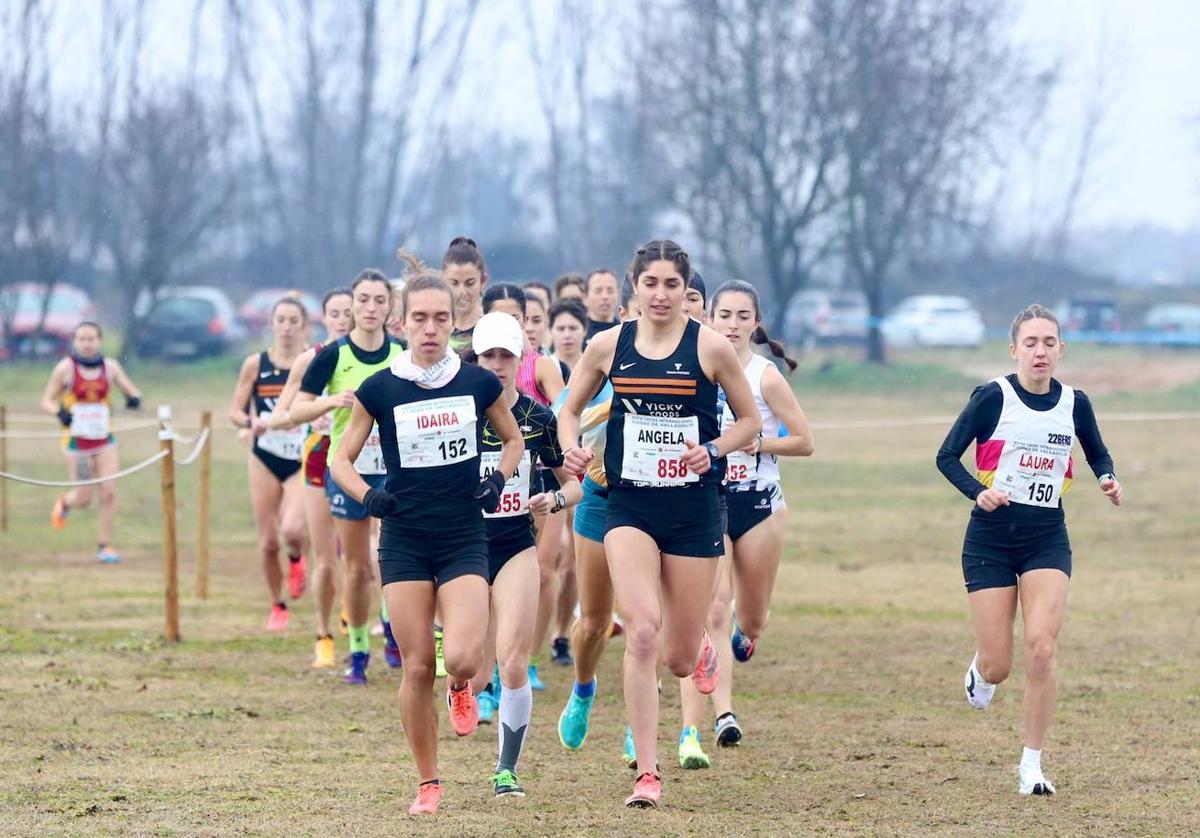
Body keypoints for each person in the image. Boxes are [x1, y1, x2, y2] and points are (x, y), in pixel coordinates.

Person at [557, 239, 761, 809]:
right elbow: (569, 410)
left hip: (694, 508)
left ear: (685, 288)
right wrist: (572, 450)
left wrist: (713, 449)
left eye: (673, 284)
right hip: (630, 506)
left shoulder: (711, 347)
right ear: (635, 287)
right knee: (641, 629)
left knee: (674, 655)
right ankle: (647, 772)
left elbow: (747, 421)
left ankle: (695, 644)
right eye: (651, 283)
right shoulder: (608, 345)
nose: (662, 294)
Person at [330, 273, 525, 816]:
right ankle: (428, 782)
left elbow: (512, 440)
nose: (432, 328)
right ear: (401, 322)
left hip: (463, 532)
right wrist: (370, 497)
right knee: (417, 667)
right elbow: (338, 460)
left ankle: (460, 685)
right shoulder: (379, 388)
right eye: (420, 318)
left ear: (452, 321)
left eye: (442, 318)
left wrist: (498, 478)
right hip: (405, 539)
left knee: (462, 657)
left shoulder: (477, 382)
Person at [936, 303, 1123, 797]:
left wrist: (1107, 477)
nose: (1040, 352)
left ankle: (1031, 765)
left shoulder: (1074, 403)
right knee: (1001, 664)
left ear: (1061, 350)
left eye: (1049, 343)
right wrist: (979, 491)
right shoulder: (992, 398)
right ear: (1014, 348)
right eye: (1031, 343)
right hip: (990, 540)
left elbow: (1096, 450)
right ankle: (982, 670)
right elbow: (945, 456)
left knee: (1042, 648)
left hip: (1046, 538)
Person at [674, 279, 814, 768]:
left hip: (760, 506)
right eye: (724, 315)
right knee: (711, 609)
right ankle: (712, 720)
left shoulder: (765, 376)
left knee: (749, 617)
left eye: (742, 316)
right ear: (708, 318)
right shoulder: (694, 369)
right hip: (707, 503)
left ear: (756, 323)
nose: (732, 325)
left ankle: (746, 635)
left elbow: (804, 441)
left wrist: (761, 444)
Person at [464, 311, 582, 797]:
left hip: (515, 542)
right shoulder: (457, 411)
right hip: (462, 545)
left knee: (513, 660)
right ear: (474, 358)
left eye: (505, 356)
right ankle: (459, 686)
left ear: (520, 360)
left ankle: (506, 770)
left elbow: (574, 486)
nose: (496, 364)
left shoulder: (538, 418)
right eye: (487, 355)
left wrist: (552, 500)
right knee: (469, 666)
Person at [292, 269, 403, 684]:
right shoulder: (333, 356)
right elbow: (295, 410)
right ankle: (358, 649)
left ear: (390, 306)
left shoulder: (402, 355)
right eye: (363, 300)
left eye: (379, 300)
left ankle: (392, 627)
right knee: (355, 567)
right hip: (348, 470)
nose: (371, 308)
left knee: (390, 557)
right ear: (352, 305)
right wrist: (330, 402)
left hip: (395, 472)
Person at [555, 277, 639, 762]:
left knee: (644, 623)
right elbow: (568, 412)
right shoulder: (602, 357)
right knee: (593, 622)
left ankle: (636, 724)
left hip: (652, 503)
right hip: (601, 496)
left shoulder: (679, 365)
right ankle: (583, 689)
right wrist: (573, 448)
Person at [269, 288, 355, 666]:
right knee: (325, 558)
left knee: (366, 558)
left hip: (364, 460)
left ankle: (358, 620)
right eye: (334, 313)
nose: (342, 319)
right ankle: (324, 635)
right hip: (320, 457)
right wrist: (320, 407)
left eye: (348, 312)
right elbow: (281, 414)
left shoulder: (379, 356)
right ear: (323, 318)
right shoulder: (312, 359)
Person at [229, 296, 310, 631]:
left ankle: (296, 557)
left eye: (294, 321)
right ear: (272, 324)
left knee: (292, 529)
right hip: (264, 455)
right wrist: (250, 425)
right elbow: (235, 411)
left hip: (299, 457)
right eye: (281, 320)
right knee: (267, 542)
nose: (287, 328)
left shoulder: (311, 362)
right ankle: (278, 605)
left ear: (304, 325)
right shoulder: (255, 364)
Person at [42, 321, 143, 563]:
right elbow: (46, 400)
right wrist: (59, 412)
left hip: (104, 439)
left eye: (92, 339)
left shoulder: (110, 368)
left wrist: (134, 400)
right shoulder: (65, 369)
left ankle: (105, 546)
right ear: (75, 342)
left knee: (108, 492)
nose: (87, 344)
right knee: (84, 497)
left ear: (99, 341)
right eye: (82, 339)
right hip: (76, 442)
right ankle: (65, 502)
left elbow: (132, 391)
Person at [444, 236, 488, 354]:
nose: (461, 292)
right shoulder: (434, 327)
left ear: (483, 281)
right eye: (454, 283)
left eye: (469, 283)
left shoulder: (492, 325)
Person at [549, 298, 587, 372]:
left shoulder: (596, 366)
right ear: (551, 331)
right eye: (561, 329)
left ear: (585, 330)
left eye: (573, 328)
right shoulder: (541, 367)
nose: (567, 335)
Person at [584, 269, 620, 342]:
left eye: (610, 291)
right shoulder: (579, 333)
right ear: (585, 297)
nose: (605, 296)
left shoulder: (626, 332)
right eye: (598, 291)